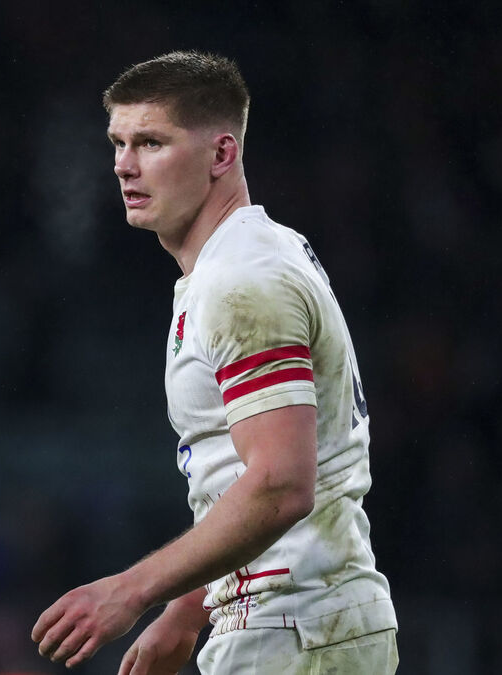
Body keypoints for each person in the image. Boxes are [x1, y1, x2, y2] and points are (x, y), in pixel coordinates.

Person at [30, 51, 398, 674]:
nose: (123, 165)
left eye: (151, 142)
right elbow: (245, 477)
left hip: (294, 624)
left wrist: (131, 590)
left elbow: (281, 482)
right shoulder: (249, 257)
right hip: (298, 622)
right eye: (118, 143)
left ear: (222, 154)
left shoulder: (240, 281)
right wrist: (186, 610)